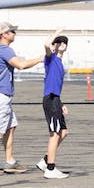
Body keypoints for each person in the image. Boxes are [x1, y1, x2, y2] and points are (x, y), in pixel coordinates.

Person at [0, 22, 45, 176]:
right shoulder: (5, 50)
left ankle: (10, 161)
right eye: (12, 31)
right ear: (4, 35)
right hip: (1, 95)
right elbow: (20, 65)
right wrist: (40, 59)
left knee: (11, 126)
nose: (15, 34)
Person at [38, 35, 71, 178]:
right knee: (55, 133)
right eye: (59, 42)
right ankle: (50, 169)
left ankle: (45, 161)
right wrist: (57, 31)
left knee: (63, 132)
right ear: (54, 45)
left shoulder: (60, 62)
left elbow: (54, 85)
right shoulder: (50, 58)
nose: (62, 43)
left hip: (55, 99)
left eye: (65, 42)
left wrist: (61, 103)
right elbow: (46, 44)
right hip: (50, 100)